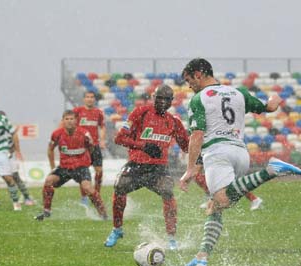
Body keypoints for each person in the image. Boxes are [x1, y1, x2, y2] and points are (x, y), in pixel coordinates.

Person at [179, 58, 301, 266]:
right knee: (215, 206)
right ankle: (202, 257)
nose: (188, 85)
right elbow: (269, 107)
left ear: (199, 74)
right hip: (240, 154)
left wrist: (191, 168)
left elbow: (197, 135)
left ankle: (271, 171)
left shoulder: (199, 99)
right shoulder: (238, 93)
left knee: (221, 199)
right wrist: (274, 99)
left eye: (189, 79)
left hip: (217, 153)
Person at [104, 84, 189, 250]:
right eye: (159, 98)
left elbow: (186, 146)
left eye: (167, 99)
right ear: (153, 98)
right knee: (119, 187)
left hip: (158, 168)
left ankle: (171, 238)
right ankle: (117, 229)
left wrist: (199, 138)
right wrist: (143, 146)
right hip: (136, 165)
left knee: (168, 194)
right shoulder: (140, 113)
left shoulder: (174, 122)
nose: (163, 102)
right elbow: (119, 138)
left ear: (171, 102)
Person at [35, 110, 107, 221]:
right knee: (49, 181)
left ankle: (103, 214)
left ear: (76, 121)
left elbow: (92, 148)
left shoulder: (84, 134)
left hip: (81, 168)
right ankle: (46, 211)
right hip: (64, 168)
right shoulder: (56, 134)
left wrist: (86, 161)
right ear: (63, 121)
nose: (69, 121)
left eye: (71, 119)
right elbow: (50, 150)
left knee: (88, 189)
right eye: (67, 119)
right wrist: (53, 167)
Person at [194, 155, 264, 211]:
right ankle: (211, 198)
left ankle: (254, 199)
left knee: (231, 182)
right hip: (207, 150)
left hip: (218, 151)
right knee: (197, 176)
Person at [73, 91, 106, 206]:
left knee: (99, 172)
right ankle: (84, 198)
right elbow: (69, 125)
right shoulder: (78, 111)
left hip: (95, 146)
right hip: (82, 147)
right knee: (83, 174)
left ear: (94, 99)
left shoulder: (98, 112)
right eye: (87, 97)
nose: (90, 99)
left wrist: (102, 140)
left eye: (92, 97)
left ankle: (97, 195)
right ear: (84, 99)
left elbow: (102, 127)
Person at [0, 110, 35, 206]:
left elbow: (15, 142)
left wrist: (15, 151)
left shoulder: (10, 129)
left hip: (8, 158)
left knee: (15, 177)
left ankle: (26, 197)